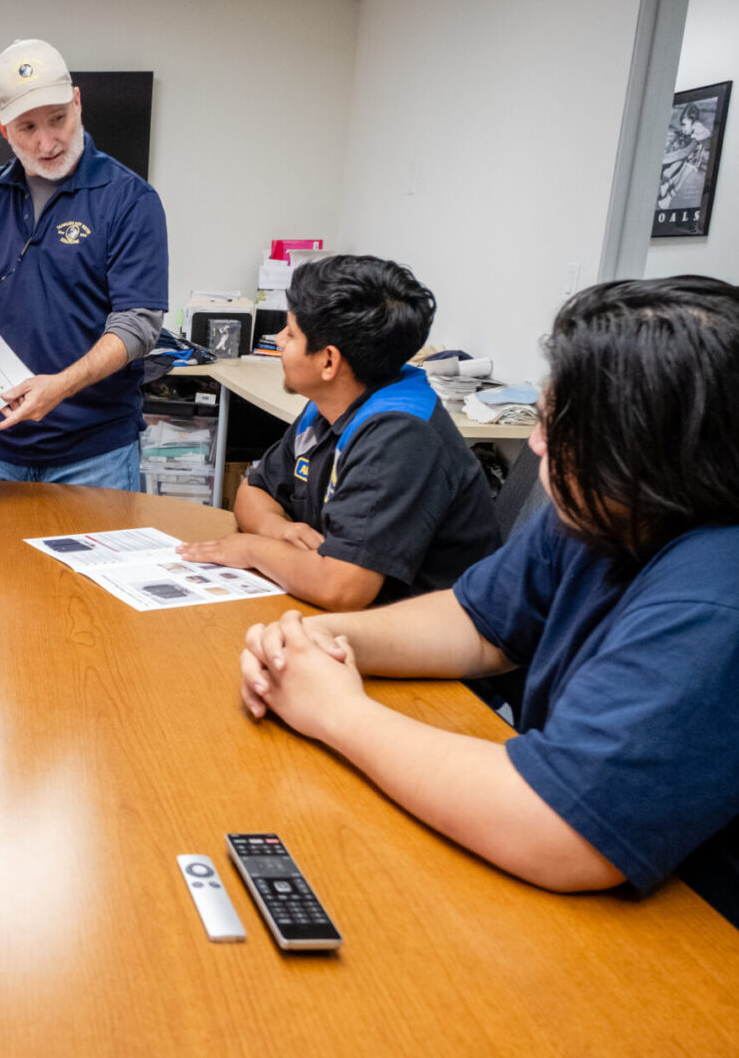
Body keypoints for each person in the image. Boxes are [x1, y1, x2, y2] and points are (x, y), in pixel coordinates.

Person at [234, 276, 739, 924]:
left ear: (640, 449)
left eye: (555, 426)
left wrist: (336, 711)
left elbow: (560, 830)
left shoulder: (714, 597)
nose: (533, 445)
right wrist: (325, 640)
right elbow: (478, 621)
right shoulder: (605, 512)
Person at [0, 38, 168, 490]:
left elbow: (139, 324)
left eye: (58, 119)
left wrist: (60, 386)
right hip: (1, 448)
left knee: (89, 565)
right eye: (27, 128)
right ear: (3, 129)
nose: (47, 142)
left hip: (95, 453)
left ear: (77, 103)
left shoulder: (130, 199)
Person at [179, 255, 498, 610]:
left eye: (291, 333)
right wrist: (278, 530)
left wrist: (253, 548)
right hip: (340, 617)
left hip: (419, 649)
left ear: (329, 362)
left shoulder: (400, 436)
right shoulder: (331, 401)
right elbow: (253, 491)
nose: (279, 340)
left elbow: (342, 588)